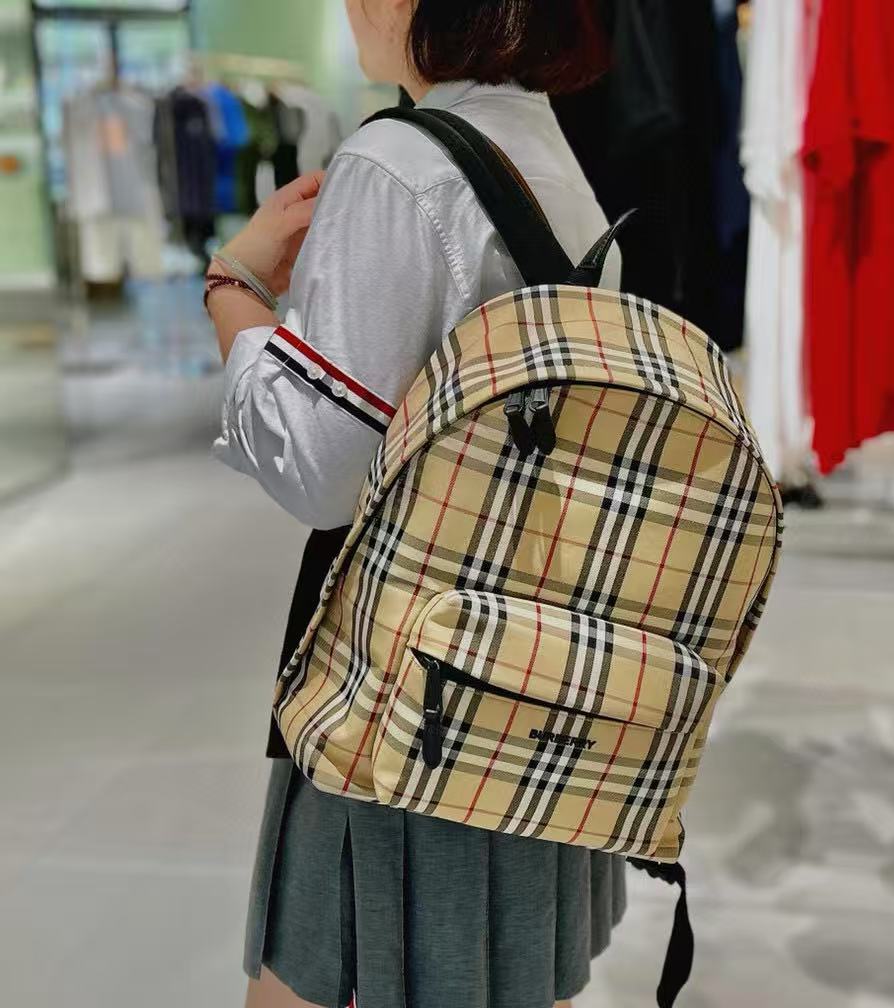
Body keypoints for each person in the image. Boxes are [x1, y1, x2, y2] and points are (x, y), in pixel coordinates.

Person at [204, 2, 624, 1007]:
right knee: (512, 972)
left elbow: (321, 472)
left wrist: (233, 288)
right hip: (537, 668)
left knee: (320, 976)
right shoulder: (547, 144)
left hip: (402, 692)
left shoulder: (397, 161)